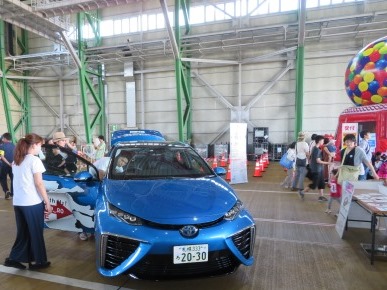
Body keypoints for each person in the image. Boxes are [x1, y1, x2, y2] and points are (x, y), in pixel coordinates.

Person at [3, 133, 53, 270]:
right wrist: (47, 202)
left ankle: (14, 258)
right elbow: (39, 184)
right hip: (32, 203)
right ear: (34, 145)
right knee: (36, 232)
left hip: (18, 202)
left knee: (23, 232)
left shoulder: (17, 160)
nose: (40, 149)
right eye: (40, 146)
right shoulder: (34, 161)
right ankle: (38, 262)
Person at [304, 135, 332, 201]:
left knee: (321, 183)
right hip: (316, 170)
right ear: (319, 141)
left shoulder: (314, 148)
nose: (323, 141)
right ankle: (302, 192)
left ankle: (321, 197)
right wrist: (328, 163)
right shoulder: (317, 150)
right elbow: (318, 161)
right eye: (322, 140)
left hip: (319, 169)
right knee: (314, 184)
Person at [291, 132, 310, 198]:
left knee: (297, 175)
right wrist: (309, 160)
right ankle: (301, 188)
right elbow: (307, 153)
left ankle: (293, 186)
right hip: (303, 161)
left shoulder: (297, 144)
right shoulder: (305, 144)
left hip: (297, 160)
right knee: (302, 175)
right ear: (304, 138)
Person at [0, 133, 15, 199]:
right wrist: (12, 163)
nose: (2, 139)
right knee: (13, 179)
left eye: (3, 138)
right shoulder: (14, 146)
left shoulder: (2, 146)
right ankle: (12, 193)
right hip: (13, 165)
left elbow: (2, 157)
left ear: (5, 139)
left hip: (4, 165)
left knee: (3, 178)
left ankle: (6, 190)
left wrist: (8, 163)